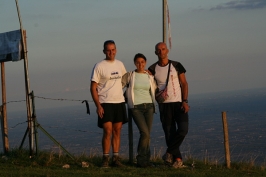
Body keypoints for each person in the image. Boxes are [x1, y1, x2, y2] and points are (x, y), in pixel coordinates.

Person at [148, 42, 189, 168]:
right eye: (158, 50)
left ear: (167, 50)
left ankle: (168, 153)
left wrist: (185, 101)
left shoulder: (176, 65)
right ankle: (177, 159)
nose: (161, 52)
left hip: (178, 103)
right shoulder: (152, 69)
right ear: (155, 52)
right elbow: (148, 85)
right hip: (164, 105)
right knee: (169, 133)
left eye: (163, 49)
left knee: (183, 130)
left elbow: (184, 83)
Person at [90, 40, 128, 168]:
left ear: (116, 50)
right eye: (108, 50)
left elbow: (125, 80)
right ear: (104, 51)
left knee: (117, 131)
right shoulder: (99, 66)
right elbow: (93, 87)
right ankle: (105, 159)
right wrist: (98, 105)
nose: (111, 52)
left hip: (119, 102)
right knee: (108, 131)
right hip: (106, 102)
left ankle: (115, 159)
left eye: (113, 49)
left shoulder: (120, 64)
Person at [122, 53, 157, 168]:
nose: (140, 64)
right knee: (145, 133)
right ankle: (141, 160)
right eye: (138, 62)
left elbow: (154, 89)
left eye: (142, 62)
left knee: (147, 135)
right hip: (136, 107)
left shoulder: (149, 76)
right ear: (134, 63)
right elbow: (119, 86)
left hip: (149, 107)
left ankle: (146, 160)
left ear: (145, 62)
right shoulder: (130, 75)